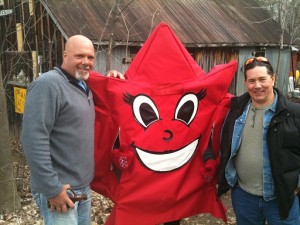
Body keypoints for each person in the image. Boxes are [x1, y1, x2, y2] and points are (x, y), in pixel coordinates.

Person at [21, 34, 123, 225]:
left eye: (90, 57)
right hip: (61, 189)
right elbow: (33, 138)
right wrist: (52, 189)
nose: (86, 62)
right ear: (65, 55)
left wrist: (112, 80)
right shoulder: (48, 85)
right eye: (79, 56)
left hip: (83, 186)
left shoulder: (83, 84)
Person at [217, 56, 300, 225]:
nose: (257, 86)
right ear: (246, 83)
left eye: (262, 79)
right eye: (251, 81)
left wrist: (296, 184)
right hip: (243, 196)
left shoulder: (294, 113)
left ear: (273, 78)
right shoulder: (235, 110)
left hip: (281, 197)